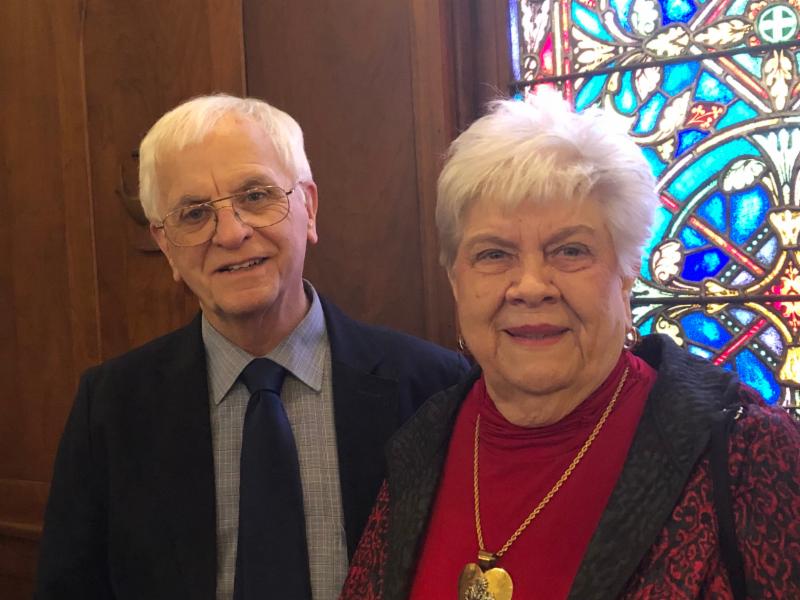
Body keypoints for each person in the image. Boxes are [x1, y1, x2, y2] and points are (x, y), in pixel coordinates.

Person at [340, 93, 800, 600]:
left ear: (626, 274)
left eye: (570, 250)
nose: (530, 286)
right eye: (494, 254)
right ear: (455, 280)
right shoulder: (420, 443)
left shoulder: (745, 452)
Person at [35, 94, 469, 600]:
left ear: (308, 208)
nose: (231, 233)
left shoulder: (434, 388)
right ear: (165, 244)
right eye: (194, 213)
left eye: (256, 196)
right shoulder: (111, 408)